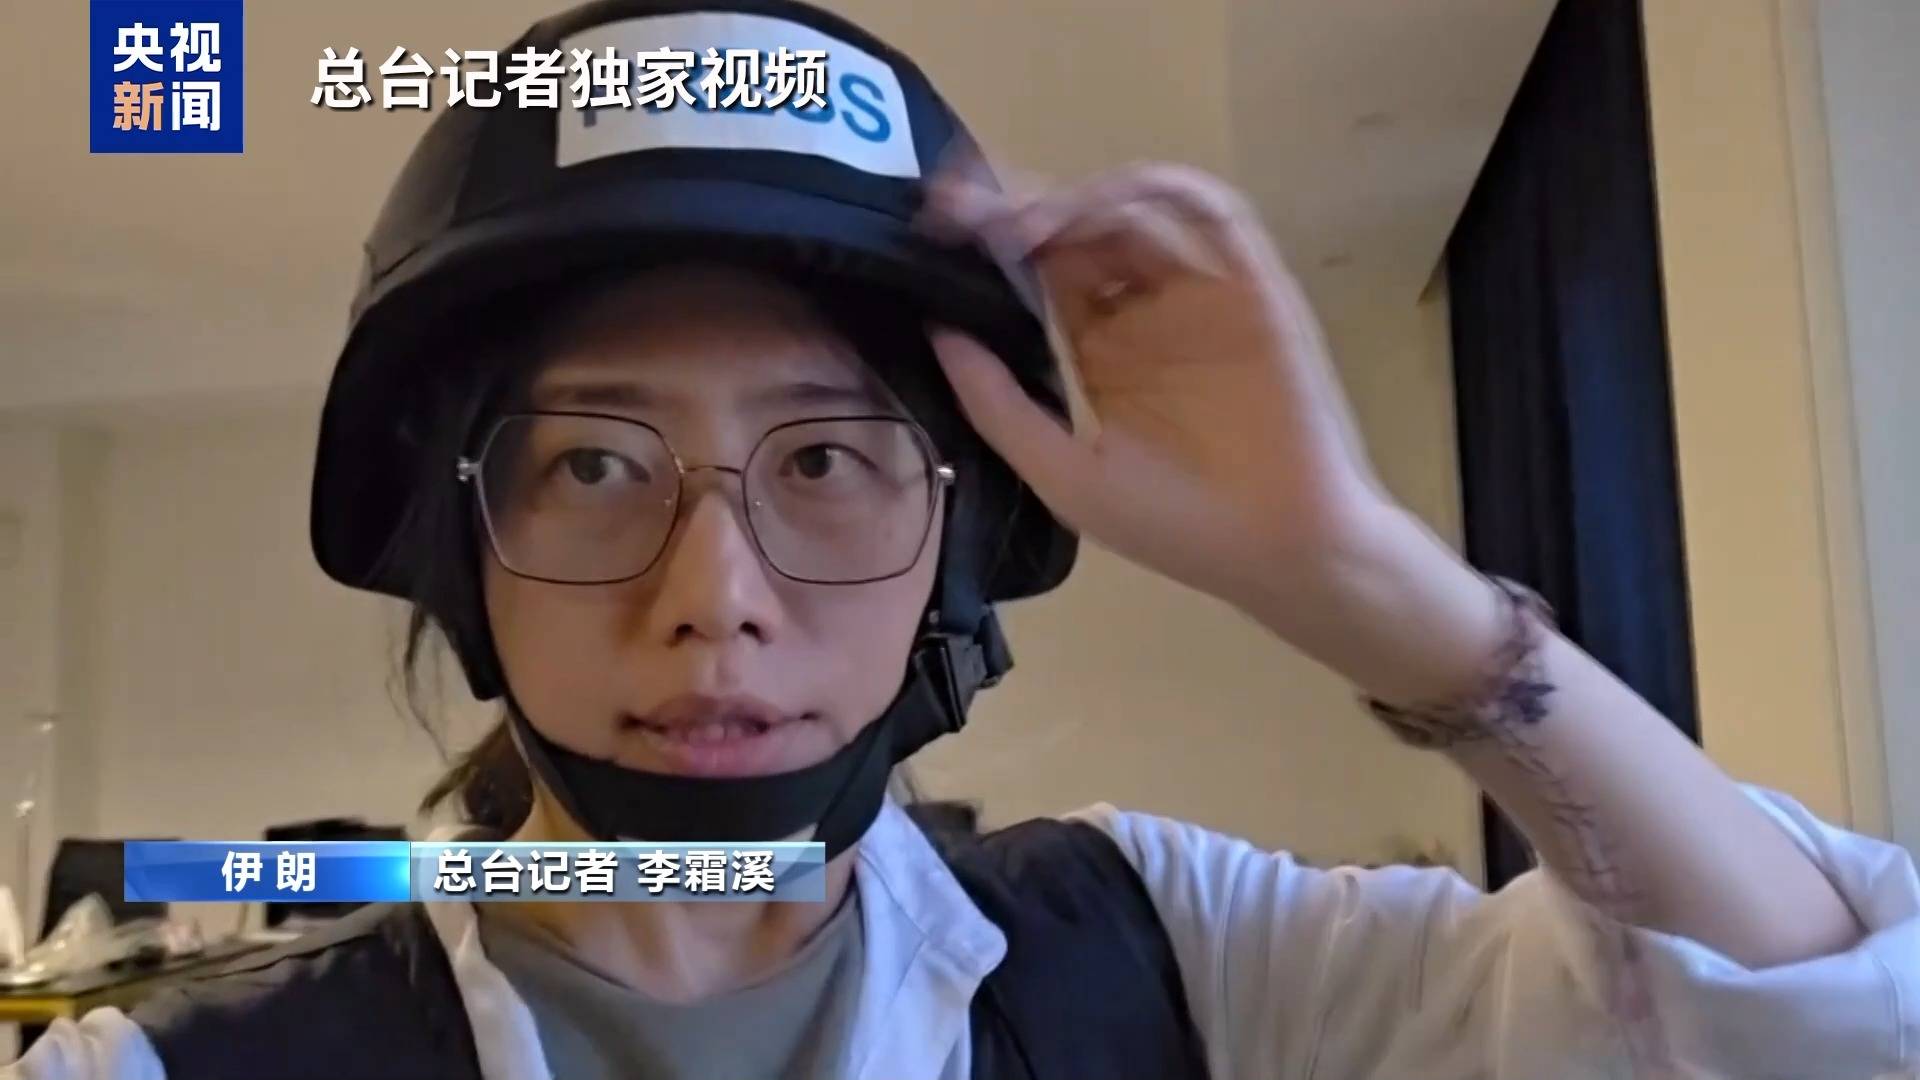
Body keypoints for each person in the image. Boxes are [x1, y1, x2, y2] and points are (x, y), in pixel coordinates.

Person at [9, 1, 1918, 1077]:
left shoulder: (1173, 955)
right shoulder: (161, 1071)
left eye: (830, 460)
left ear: (960, 536)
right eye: (591, 467)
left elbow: (1815, 1027)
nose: (715, 602)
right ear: (462, 548)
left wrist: (1366, 581)